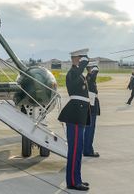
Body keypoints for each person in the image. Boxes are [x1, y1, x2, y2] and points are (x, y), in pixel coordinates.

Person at [58, 49, 91, 191]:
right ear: (76, 58)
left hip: (80, 114)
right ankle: (72, 181)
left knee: (78, 150)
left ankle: (77, 178)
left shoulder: (78, 73)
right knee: (75, 150)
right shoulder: (73, 73)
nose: (85, 60)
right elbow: (73, 84)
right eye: (83, 58)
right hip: (75, 115)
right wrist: (83, 66)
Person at [84, 61, 100, 157]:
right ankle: (88, 150)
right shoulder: (90, 78)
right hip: (92, 108)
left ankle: (87, 149)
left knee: (88, 129)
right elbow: (96, 70)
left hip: (90, 107)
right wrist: (95, 68)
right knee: (90, 130)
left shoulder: (88, 78)